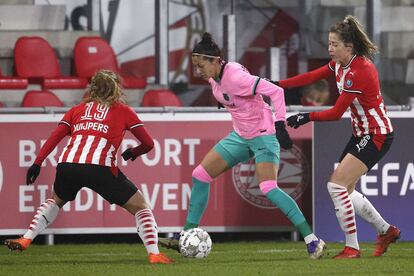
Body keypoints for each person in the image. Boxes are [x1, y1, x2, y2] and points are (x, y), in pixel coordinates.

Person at [159, 32, 326, 259]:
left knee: (268, 187)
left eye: (201, 66)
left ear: (216, 61)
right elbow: (229, 95)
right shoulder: (214, 76)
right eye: (196, 66)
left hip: (263, 135)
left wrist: (280, 126)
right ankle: (186, 234)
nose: (198, 71)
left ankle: (312, 239)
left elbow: (276, 91)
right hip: (240, 136)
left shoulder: (235, 76)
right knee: (200, 175)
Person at [4, 70, 173, 264]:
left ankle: (26, 238)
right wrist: (133, 153)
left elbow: (55, 137)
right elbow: (149, 143)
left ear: (92, 88)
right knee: (141, 207)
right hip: (99, 168)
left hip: (68, 165)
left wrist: (37, 163)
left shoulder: (77, 109)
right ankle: (154, 254)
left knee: (55, 200)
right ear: (116, 88)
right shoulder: (123, 110)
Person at [278, 15, 400, 259]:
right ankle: (386, 231)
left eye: (334, 44)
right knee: (346, 189)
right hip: (362, 134)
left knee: (335, 186)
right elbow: (310, 77)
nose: (330, 49)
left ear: (349, 47)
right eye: (329, 43)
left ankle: (352, 248)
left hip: (376, 134)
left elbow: (335, 113)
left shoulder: (359, 71)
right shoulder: (340, 65)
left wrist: (306, 117)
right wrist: (277, 84)